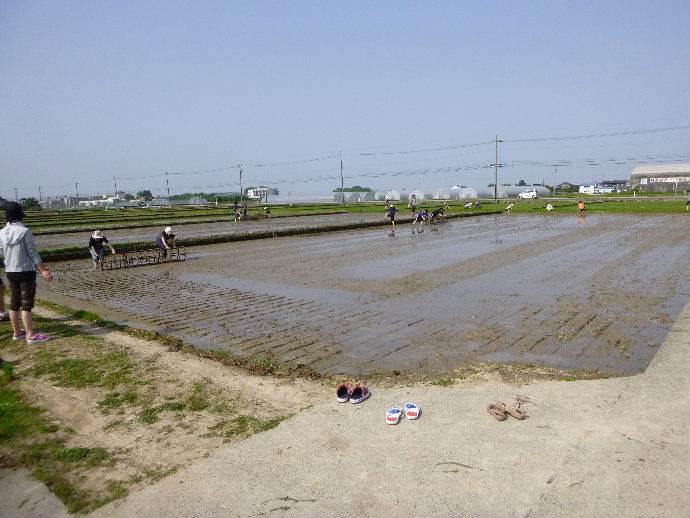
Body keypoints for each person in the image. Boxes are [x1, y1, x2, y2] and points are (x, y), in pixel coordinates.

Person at [0, 202, 54, 344]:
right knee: (26, 303)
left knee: (14, 301)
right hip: (25, 271)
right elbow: (33, 253)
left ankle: (17, 332)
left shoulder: (2, 232)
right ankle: (30, 334)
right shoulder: (25, 231)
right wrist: (43, 270)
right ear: (20, 215)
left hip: (10, 271)